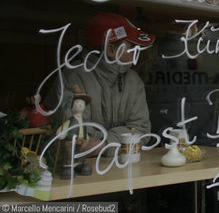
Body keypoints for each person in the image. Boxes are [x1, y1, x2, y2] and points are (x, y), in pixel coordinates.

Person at [45, 12, 156, 157]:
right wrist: (121, 140)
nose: (135, 53)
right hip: (78, 173)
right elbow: (73, 133)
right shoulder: (72, 78)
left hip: (125, 167)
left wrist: (104, 145)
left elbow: (141, 129)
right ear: (111, 49)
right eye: (131, 47)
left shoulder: (133, 81)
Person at [56, 85, 92, 179]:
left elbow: (84, 131)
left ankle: (79, 165)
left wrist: (86, 138)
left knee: (81, 153)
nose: (80, 105)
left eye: (82, 103)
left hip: (81, 142)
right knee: (69, 153)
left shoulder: (82, 121)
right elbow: (62, 130)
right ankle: (68, 167)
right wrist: (61, 133)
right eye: (77, 102)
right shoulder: (70, 121)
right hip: (71, 142)